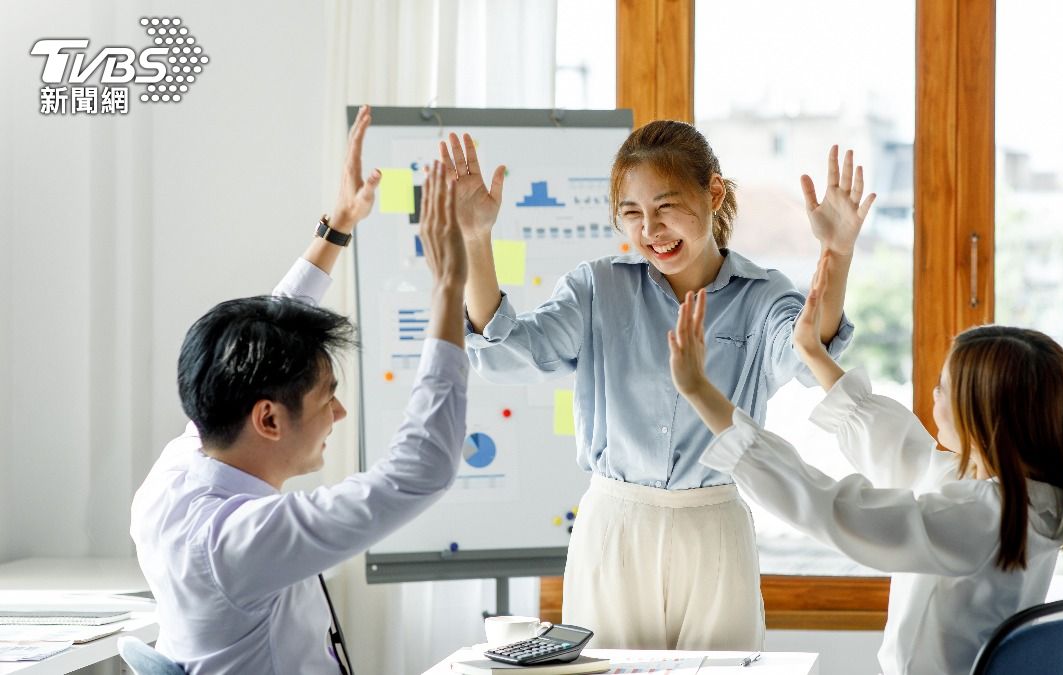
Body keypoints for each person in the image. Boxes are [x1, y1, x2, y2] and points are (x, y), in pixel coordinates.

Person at [438, 121, 875, 649]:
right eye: (632, 213)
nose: (651, 230)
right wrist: (476, 239)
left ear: (714, 193)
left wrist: (837, 253)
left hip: (714, 523)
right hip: (615, 526)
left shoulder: (762, 295)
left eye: (666, 206)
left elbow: (810, 353)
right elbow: (505, 352)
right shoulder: (597, 287)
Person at [130, 106, 470, 674]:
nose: (339, 412)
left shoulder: (178, 471)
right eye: (326, 398)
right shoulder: (239, 542)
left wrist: (337, 226)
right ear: (268, 419)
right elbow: (420, 473)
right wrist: (448, 288)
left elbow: (261, 337)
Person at [666, 254, 1063, 675]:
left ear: (986, 417)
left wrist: (700, 391)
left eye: (943, 387)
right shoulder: (1035, 500)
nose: (934, 395)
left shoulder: (982, 516)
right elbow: (905, 453)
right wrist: (814, 354)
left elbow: (834, 509)